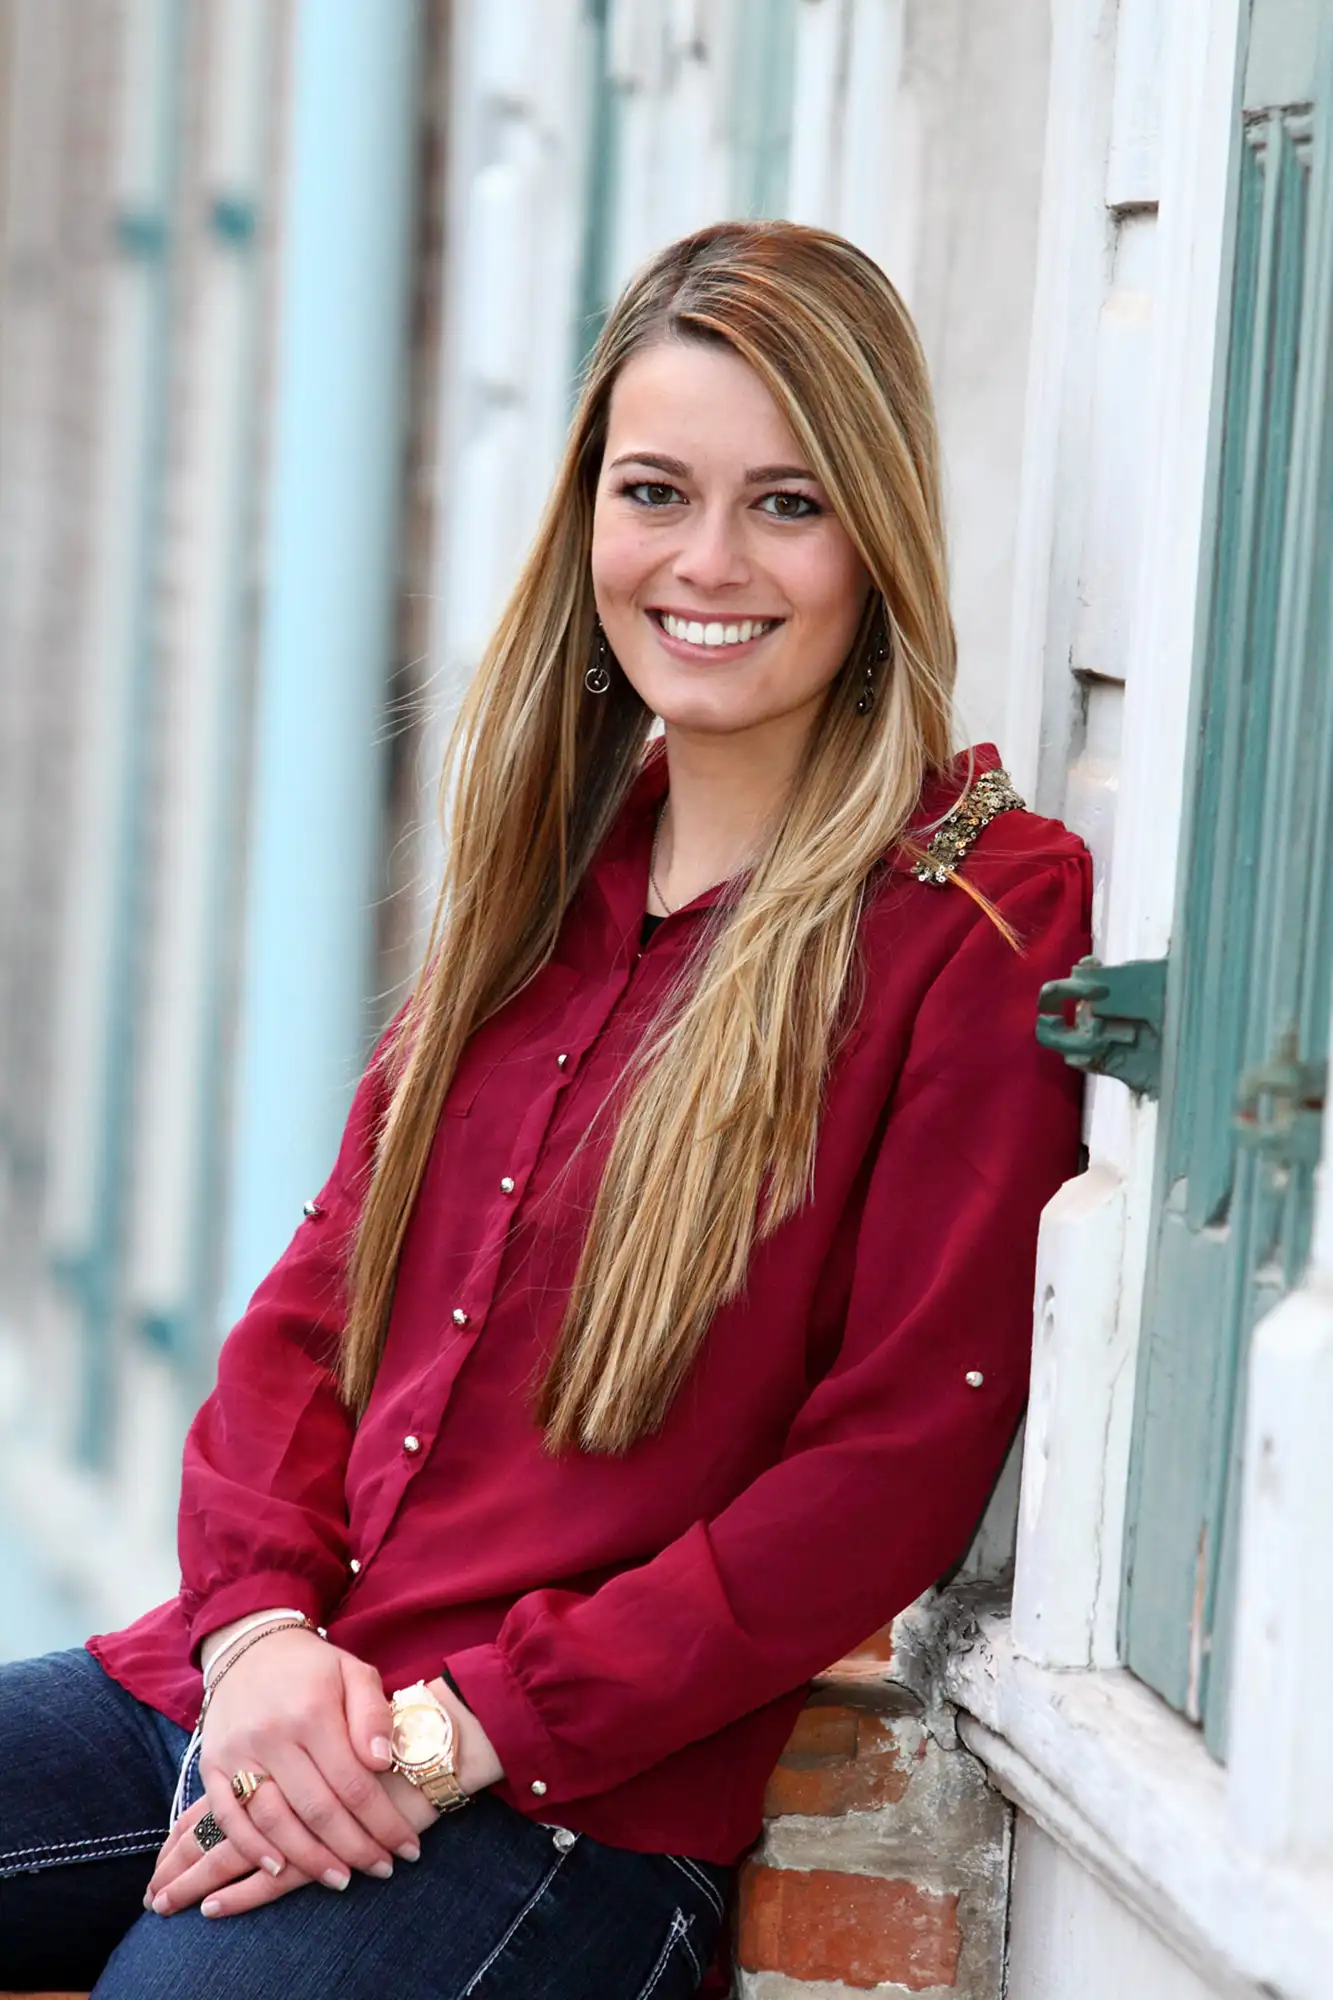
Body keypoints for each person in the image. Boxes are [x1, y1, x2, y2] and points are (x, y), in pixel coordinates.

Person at [0, 219, 1090, 1999]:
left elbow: (886, 1470)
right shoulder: (550, 874)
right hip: (263, 1701)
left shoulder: (971, 920)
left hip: (560, 1808)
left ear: (876, 531)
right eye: (655, 491)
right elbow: (309, 1327)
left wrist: (455, 1734)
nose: (708, 562)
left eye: (788, 503)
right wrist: (265, 1640)